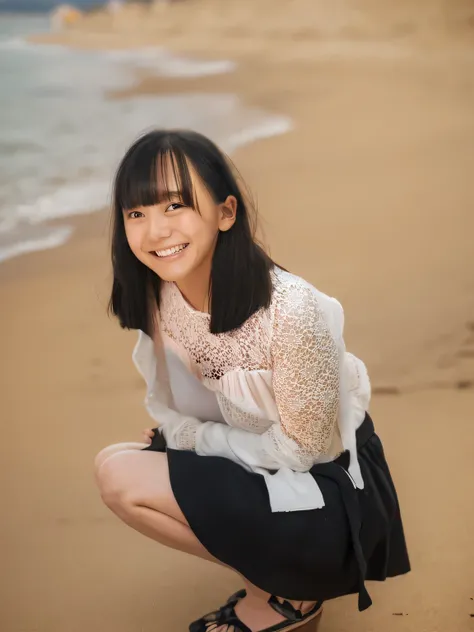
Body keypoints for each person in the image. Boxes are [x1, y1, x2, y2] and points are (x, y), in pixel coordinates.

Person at [95, 129, 410, 632]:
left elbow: (302, 451)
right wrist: (174, 438)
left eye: (175, 206)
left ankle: (292, 593)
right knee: (116, 462)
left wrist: (193, 441)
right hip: (265, 465)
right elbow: (196, 397)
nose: (155, 231)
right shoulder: (163, 294)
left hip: (327, 495)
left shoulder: (291, 310)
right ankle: (272, 577)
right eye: (136, 213)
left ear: (226, 212)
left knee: (123, 476)